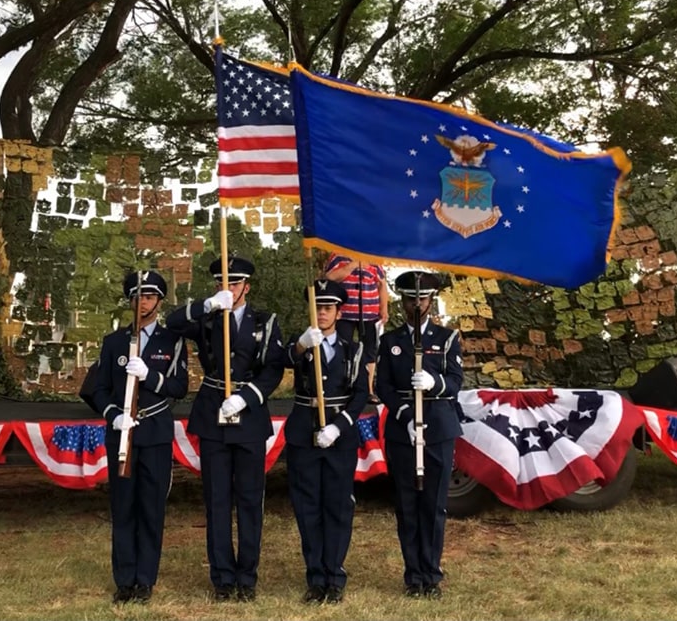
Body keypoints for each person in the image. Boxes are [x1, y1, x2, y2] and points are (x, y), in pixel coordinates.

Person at [165, 256, 284, 602]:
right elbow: (172, 324)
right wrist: (207, 305)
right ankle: (222, 578)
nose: (228, 289)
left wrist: (248, 397)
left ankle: (246, 577)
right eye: (222, 283)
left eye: (234, 284)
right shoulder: (207, 318)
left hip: (248, 416)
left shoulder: (265, 321)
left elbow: (273, 369)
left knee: (249, 501)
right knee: (217, 501)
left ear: (247, 286)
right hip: (214, 413)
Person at [88, 270, 189, 605]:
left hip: (155, 433)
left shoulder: (171, 341)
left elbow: (179, 387)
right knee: (124, 508)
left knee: (151, 509)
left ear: (158, 302)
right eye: (137, 296)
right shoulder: (113, 341)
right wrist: (113, 415)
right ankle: (124, 580)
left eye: (148, 296)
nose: (142, 302)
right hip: (122, 436)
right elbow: (96, 389)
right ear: (129, 300)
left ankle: (145, 580)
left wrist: (152, 376)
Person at [375, 271, 463, 600]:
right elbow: (382, 386)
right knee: (407, 505)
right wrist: (407, 415)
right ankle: (413, 575)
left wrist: (433, 383)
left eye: (422, 299)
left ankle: (432, 573)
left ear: (431, 300)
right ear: (402, 301)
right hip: (404, 431)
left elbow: (455, 382)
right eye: (410, 299)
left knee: (434, 506)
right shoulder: (390, 341)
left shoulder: (448, 338)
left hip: (439, 428)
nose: (416, 304)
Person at [283, 279, 369, 605]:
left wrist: (339, 426)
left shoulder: (353, 350)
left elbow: (360, 394)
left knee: (337, 506)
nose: (321, 313)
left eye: (327, 308)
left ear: (339, 312)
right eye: (317, 307)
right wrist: (303, 346)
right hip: (304, 433)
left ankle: (334, 576)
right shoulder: (302, 342)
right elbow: (283, 360)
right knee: (308, 508)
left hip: (338, 436)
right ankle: (315, 577)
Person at [323, 253, 388, 402]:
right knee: (342, 350)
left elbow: (382, 285)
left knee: (370, 352)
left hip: (370, 315)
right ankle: (341, 388)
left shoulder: (374, 259)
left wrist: (384, 309)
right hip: (345, 314)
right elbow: (331, 277)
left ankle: (368, 390)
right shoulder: (338, 256)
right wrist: (352, 265)